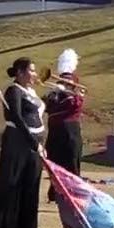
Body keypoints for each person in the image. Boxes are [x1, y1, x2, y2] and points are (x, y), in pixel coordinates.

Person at [0, 58, 45, 228]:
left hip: (36, 141)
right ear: (20, 73)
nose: (35, 74)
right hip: (18, 141)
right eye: (31, 70)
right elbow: (16, 116)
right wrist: (34, 143)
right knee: (10, 182)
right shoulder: (13, 91)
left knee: (31, 184)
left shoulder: (31, 91)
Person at [44, 48, 84, 202]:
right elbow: (47, 108)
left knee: (72, 163)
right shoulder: (54, 95)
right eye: (62, 81)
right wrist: (55, 93)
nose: (64, 84)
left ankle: (74, 194)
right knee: (55, 164)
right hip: (55, 131)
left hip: (70, 132)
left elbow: (75, 106)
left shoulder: (76, 95)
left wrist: (68, 92)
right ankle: (55, 193)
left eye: (67, 82)